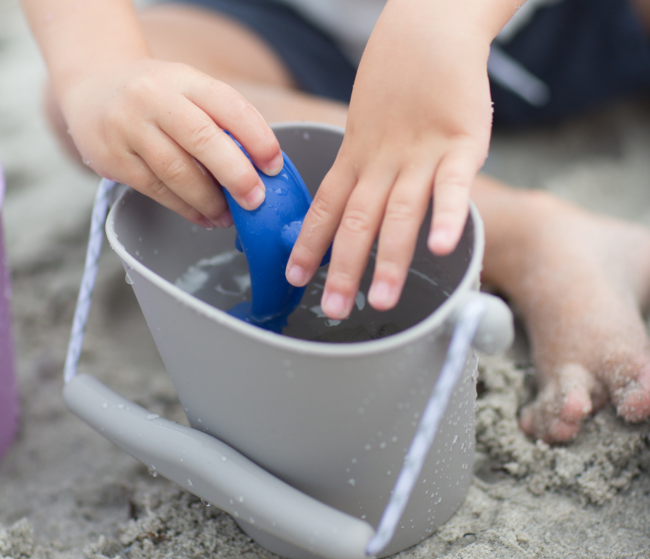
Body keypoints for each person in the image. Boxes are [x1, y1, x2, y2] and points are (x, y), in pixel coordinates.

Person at [20, 0, 650, 442]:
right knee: (125, 108)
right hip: (297, 30)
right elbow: (100, 63)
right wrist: (100, 67)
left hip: (556, 15)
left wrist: (444, 17)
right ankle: (526, 235)